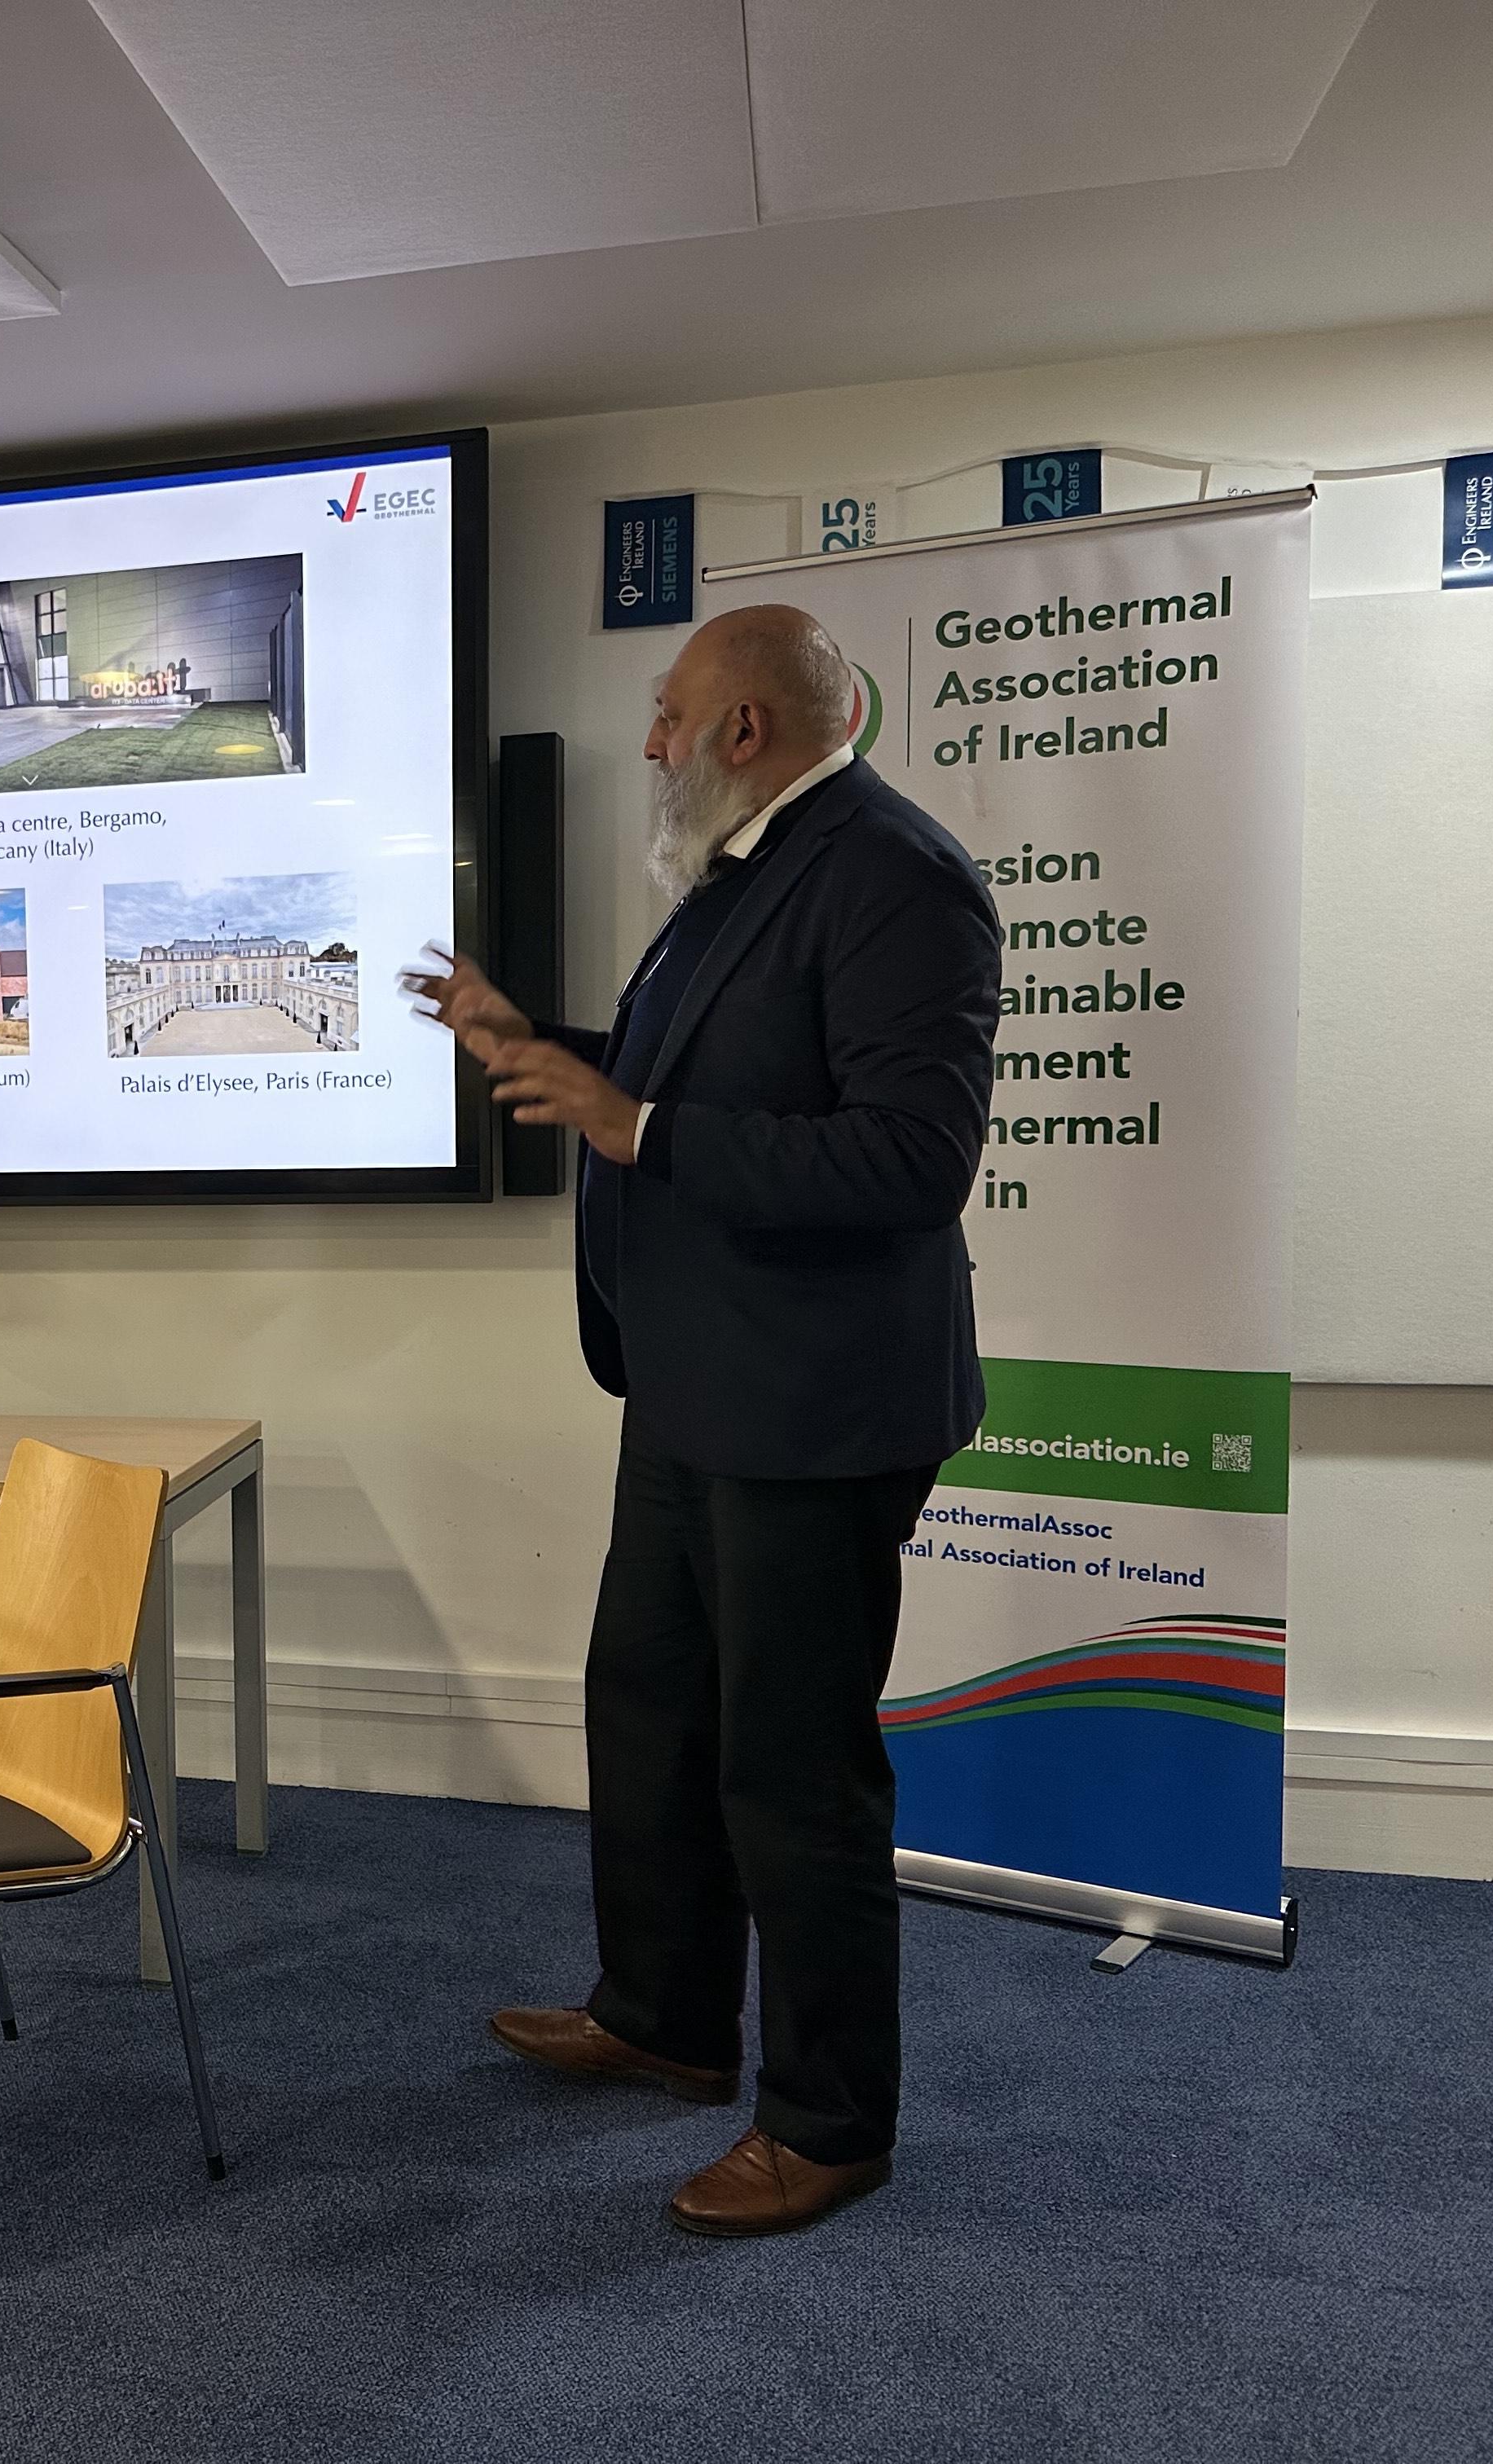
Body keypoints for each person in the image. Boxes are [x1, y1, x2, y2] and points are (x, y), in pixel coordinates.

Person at [403, 604, 999, 2237]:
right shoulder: (738, 875)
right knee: (652, 1712)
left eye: (668, 714)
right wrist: (539, 1049)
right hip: (690, 1384)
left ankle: (829, 2121)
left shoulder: (894, 873)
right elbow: (693, 1089)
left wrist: (632, 1119)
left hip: (812, 1409)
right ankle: (665, 2019)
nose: (650, 741)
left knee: (790, 1769)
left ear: (745, 729)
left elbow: (906, 1161)